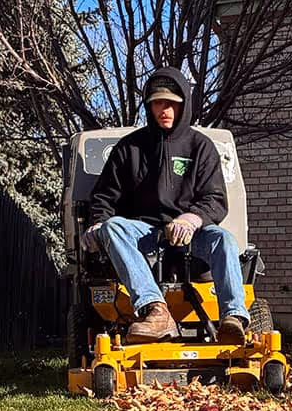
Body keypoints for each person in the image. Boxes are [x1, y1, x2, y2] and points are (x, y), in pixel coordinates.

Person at [82, 67, 250, 343]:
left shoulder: (201, 147)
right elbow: (103, 197)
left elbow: (215, 200)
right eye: (159, 103)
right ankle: (155, 310)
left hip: (191, 236)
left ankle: (233, 317)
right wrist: (98, 223)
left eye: (172, 103)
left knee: (224, 239)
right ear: (150, 105)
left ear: (183, 104)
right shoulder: (129, 148)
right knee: (112, 227)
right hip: (144, 235)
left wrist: (190, 219)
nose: (165, 110)